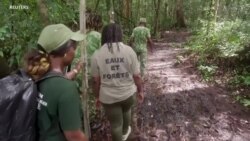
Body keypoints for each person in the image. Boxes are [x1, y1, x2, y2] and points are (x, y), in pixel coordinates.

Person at [25, 24, 87, 141]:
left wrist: (75, 70)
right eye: (74, 47)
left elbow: (57, 83)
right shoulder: (66, 89)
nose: (74, 51)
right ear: (65, 53)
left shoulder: (36, 75)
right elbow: (74, 136)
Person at [91, 23, 144, 141]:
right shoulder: (129, 51)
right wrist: (140, 91)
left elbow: (95, 81)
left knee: (116, 125)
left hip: (109, 97)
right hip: (128, 94)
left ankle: (123, 136)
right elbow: (137, 76)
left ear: (104, 36)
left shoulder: (97, 54)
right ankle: (126, 134)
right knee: (126, 111)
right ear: (120, 34)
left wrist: (97, 96)